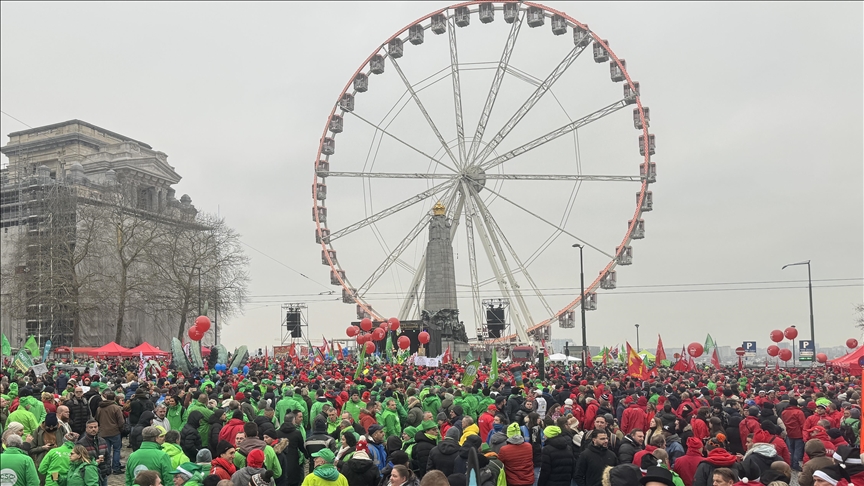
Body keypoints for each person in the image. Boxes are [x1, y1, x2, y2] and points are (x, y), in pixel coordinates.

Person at [94, 391, 125, 475]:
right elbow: (121, 421)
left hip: (103, 432)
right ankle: (116, 467)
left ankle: (107, 468)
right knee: (116, 450)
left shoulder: (100, 408)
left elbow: (96, 419)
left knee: (105, 452)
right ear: (114, 398)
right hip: (115, 432)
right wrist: (120, 429)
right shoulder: (116, 408)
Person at [497, 422, 534, 486]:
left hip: (513, 481)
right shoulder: (529, 446)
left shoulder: (504, 449)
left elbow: (500, 463)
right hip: (528, 480)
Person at [77, 420, 111, 485]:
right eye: (91, 427)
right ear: (86, 429)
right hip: (90, 476)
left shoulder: (102, 441)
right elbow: (80, 461)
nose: (93, 429)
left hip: (103, 474)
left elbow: (107, 456)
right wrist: (94, 463)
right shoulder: (81, 443)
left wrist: (107, 468)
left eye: (95, 427)